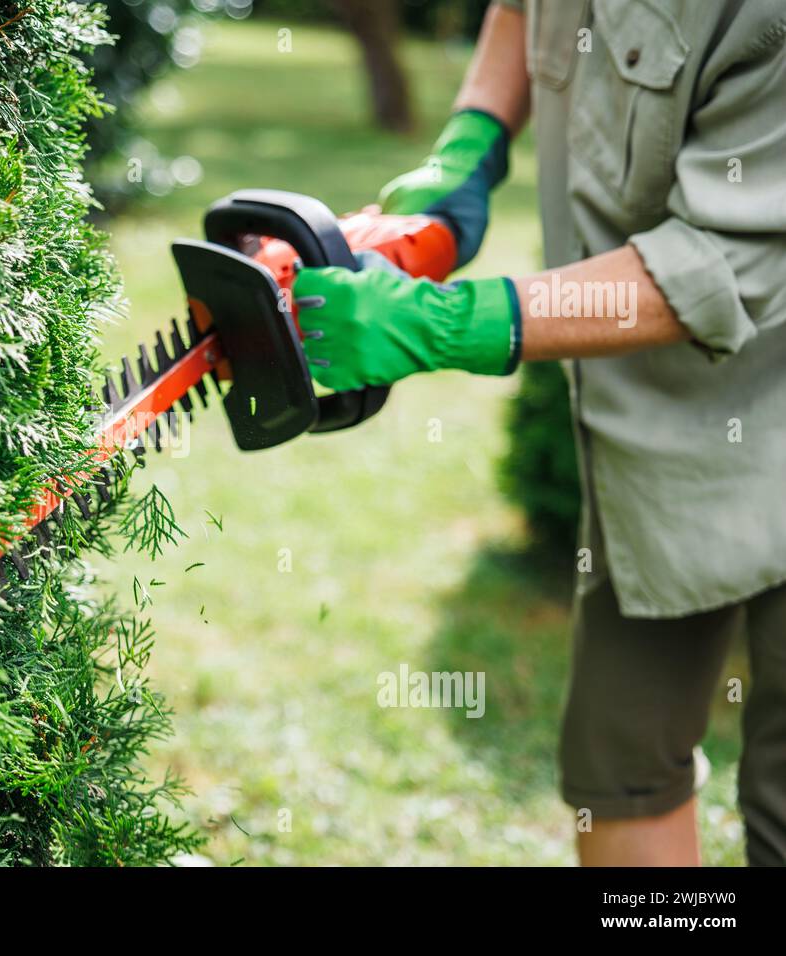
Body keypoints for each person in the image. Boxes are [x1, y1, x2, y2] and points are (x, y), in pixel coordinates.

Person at [294, 0, 786, 866]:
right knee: (619, 770)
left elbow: (730, 262)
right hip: (656, 418)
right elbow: (523, 11)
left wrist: (458, 323)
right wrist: (469, 149)